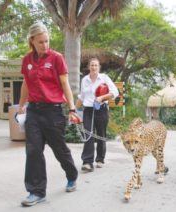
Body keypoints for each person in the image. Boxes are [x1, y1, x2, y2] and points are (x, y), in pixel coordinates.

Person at [18, 22, 79, 207]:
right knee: (33, 151)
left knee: (59, 149)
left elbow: (65, 84)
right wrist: (21, 105)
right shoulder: (27, 60)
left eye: (47, 41)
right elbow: (26, 84)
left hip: (53, 112)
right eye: (41, 42)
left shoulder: (56, 58)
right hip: (34, 111)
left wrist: (72, 108)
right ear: (32, 41)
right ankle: (36, 192)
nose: (45, 45)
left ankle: (72, 175)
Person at [76, 58, 118, 172]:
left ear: (99, 67)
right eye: (92, 65)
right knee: (88, 135)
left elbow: (115, 92)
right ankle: (87, 162)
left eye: (96, 65)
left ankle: (100, 158)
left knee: (101, 134)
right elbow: (82, 96)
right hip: (88, 110)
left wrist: (102, 97)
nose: (94, 67)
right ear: (89, 67)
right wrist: (74, 110)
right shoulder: (84, 80)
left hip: (101, 109)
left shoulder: (104, 78)